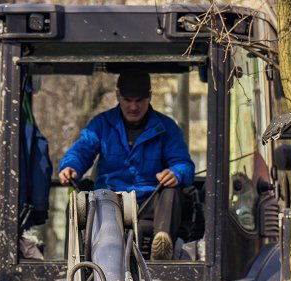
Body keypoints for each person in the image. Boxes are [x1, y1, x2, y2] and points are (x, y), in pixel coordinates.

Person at [57, 70, 195, 260]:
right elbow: (81, 150)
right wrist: (71, 166)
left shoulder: (166, 127)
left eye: (139, 100)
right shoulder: (102, 124)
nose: (133, 106)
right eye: (128, 100)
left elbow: (184, 164)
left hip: (149, 201)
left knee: (172, 190)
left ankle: (162, 245)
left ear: (149, 97)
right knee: (76, 204)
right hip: (110, 200)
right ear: (117, 97)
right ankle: (73, 261)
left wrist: (176, 173)